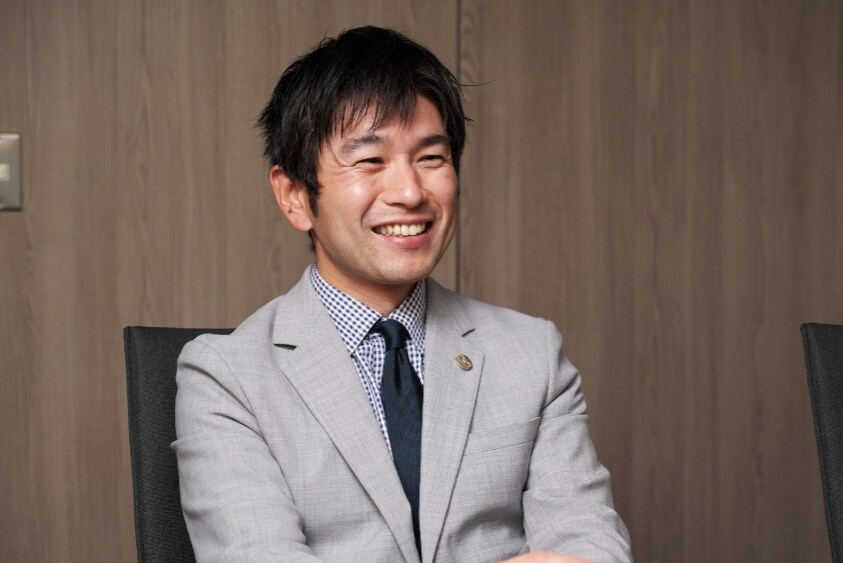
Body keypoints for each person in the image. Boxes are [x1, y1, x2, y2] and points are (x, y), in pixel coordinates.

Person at [173, 25, 631, 563]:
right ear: (294, 195)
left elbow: (590, 544)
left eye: (432, 158)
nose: (411, 192)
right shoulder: (227, 378)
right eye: (370, 161)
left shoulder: (531, 355)